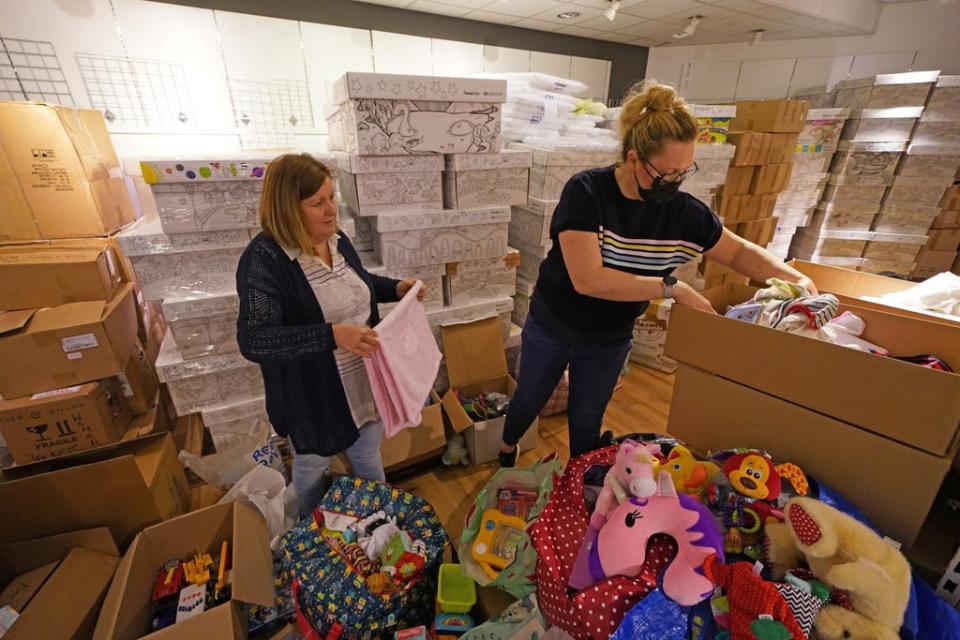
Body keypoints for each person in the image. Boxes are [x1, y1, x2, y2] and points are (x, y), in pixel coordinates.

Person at [498, 81, 817, 466]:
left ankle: (579, 488)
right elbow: (589, 279)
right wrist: (672, 288)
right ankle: (505, 451)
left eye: (683, 173)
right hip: (556, 320)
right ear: (633, 158)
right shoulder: (587, 192)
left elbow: (738, 251)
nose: (673, 182)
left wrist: (793, 278)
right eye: (665, 173)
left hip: (610, 334)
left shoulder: (683, 212)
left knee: (587, 419)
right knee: (529, 398)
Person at [236, 153, 425, 515]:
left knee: (367, 455)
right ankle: (311, 534)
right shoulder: (265, 260)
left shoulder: (334, 238)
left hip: (362, 380)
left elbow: (356, 285)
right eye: (317, 203)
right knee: (311, 468)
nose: (331, 210)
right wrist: (331, 336)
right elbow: (254, 339)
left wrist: (396, 288)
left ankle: (379, 521)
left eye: (331, 197)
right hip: (313, 396)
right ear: (287, 208)